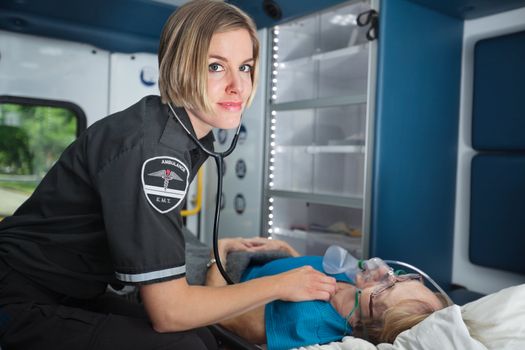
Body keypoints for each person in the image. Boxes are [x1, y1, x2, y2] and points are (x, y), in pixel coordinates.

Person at [0, 1, 337, 349]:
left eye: (246, 67)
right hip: (17, 299)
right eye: (216, 67)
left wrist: (213, 252)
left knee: (208, 336)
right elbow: (169, 312)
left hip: (70, 291)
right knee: (185, 346)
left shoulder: (180, 135)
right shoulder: (155, 151)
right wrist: (282, 284)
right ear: (181, 68)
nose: (238, 85)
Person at [206, 238, 449, 350]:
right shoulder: (354, 282)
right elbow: (302, 276)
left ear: (371, 326)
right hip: (250, 258)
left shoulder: (305, 322)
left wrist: (219, 251)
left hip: (220, 275)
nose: (384, 270)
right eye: (401, 275)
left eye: (388, 285)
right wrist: (285, 250)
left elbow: (214, 313)